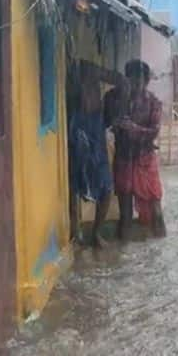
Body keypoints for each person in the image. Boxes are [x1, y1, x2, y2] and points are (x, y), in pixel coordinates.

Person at [104, 59, 167, 240]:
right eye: (132, 81)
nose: (135, 86)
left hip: (145, 159)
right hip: (123, 159)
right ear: (126, 79)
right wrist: (112, 123)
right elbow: (102, 121)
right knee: (125, 212)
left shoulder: (154, 103)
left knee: (156, 208)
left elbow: (154, 132)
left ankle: (160, 252)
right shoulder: (112, 98)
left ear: (146, 81)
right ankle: (124, 256)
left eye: (139, 82)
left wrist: (133, 128)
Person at [68, 66, 113, 248]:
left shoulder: (99, 115)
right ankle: (75, 232)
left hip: (99, 158)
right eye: (89, 91)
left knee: (107, 190)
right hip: (80, 158)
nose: (93, 95)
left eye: (95, 91)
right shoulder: (76, 117)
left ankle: (96, 233)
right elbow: (73, 140)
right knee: (75, 192)